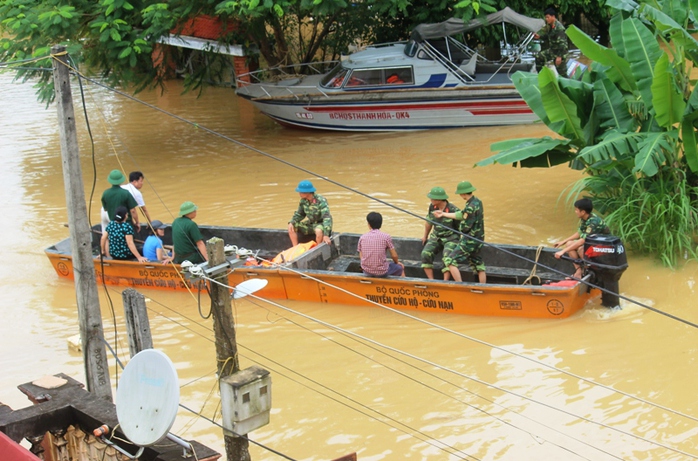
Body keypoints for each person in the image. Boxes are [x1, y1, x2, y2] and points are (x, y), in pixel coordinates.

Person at [433, 181, 486, 283]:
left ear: (463, 194)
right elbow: (461, 214)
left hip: (470, 240)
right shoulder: (477, 202)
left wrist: (459, 229)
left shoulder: (470, 207)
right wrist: (443, 214)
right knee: (478, 264)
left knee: (449, 260)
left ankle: (460, 284)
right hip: (479, 238)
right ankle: (483, 288)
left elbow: (466, 226)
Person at [554, 198, 610, 278]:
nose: (575, 212)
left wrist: (562, 251)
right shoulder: (585, 218)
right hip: (592, 243)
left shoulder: (594, 222)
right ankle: (578, 272)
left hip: (602, 246)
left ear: (583, 212)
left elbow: (582, 241)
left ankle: (589, 272)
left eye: (576, 210)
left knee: (581, 249)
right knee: (569, 243)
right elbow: (580, 233)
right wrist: (563, 242)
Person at [421, 186, 460, 280]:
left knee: (447, 257)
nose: (430, 199)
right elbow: (429, 222)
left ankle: (445, 281)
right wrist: (425, 236)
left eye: (432, 198)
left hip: (451, 238)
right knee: (425, 254)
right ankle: (431, 280)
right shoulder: (432, 207)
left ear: (439, 199)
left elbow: (460, 228)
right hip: (436, 236)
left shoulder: (453, 210)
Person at [357, 212, 404, 277]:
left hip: (366, 271)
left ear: (369, 224)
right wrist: (397, 263)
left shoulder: (362, 237)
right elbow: (394, 256)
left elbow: (361, 255)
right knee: (400, 268)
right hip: (382, 272)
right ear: (380, 224)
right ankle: (403, 285)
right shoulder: (386, 237)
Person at [288, 180, 333, 246]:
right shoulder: (303, 201)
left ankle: (318, 248)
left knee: (318, 230)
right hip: (311, 224)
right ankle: (295, 248)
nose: (299, 194)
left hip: (321, 224)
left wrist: (326, 235)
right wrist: (292, 222)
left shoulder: (321, 200)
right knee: (291, 227)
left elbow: (326, 217)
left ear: (307, 193)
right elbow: (300, 214)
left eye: (301, 192)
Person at [534, 7, 568, 77]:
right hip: (552, 51)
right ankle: (542, 76)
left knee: (562, 74)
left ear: (553, 16)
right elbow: (549, 36)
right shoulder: (551, 26)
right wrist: (539, 37)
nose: (546, 19)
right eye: (546, 18)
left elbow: (562, 44)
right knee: (539, 57)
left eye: (548, 17)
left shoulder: (559, 28)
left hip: (560, 52)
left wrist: (559, 57)